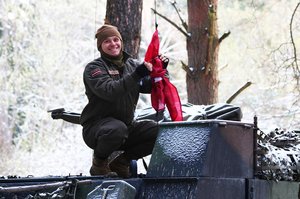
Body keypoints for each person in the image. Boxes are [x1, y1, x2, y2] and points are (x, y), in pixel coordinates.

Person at [80, 24, 168, 178]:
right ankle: (99, 164)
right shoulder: (94, 68)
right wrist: (136, 75)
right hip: (96, 128)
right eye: (107, 41)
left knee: (162, 132)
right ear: (100, 46)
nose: (113, 44)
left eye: (116, 39)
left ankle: (122, 162)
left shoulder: (132, 65)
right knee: (116, 129)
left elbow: (151, 87)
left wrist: (161, 70)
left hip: (127, 127)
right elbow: (110, 91)